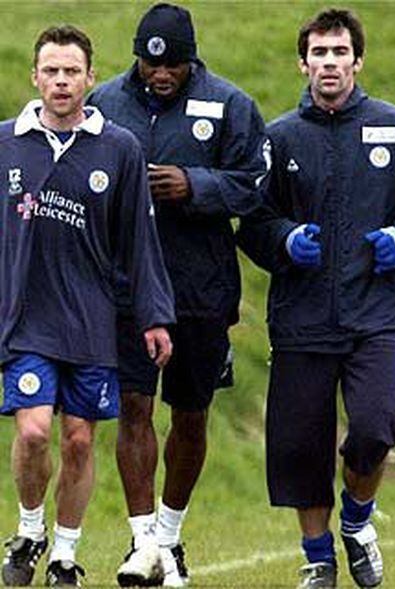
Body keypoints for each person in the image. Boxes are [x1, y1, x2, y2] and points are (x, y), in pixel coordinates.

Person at [87, 3, 269, 586]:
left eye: (174, 67)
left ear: (192, 61)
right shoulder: (105, 105)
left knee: (190, 417)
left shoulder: (232, 105)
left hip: (200, 290)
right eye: (150, 65)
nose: (161, 76)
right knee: (133, 409)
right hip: (126, 290)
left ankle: (170, 536)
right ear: (137, 58)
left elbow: (254, 187)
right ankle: (143, 544)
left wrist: (196, 184)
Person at [237, 8, 395, 589]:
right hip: (304, 315)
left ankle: (358, 520)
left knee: (377, 424)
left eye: (340, 53)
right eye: (319, 53)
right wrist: (284, 239)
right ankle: (318, 558)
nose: (329, 63)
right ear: (303, 62)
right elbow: (254, 220)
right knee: (298, 448)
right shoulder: (280, 136)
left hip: (379, 312)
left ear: (358, 61)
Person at [0, 25, 174, 588]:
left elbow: (139, 243)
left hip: (92, 319)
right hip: (25, 318)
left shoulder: (119, 147)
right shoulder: (6, 143)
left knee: (78, 438)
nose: (60, 81)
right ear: (35, 77)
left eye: (71, 71)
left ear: (90, 79)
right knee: (32, 433)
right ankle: (30, 531)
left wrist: (153, 315)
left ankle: (65, 556)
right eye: (51, 70)